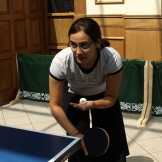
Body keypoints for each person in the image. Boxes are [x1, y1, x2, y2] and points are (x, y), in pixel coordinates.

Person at [49, 18, 129, 162]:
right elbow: (54, 105)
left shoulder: (111, 58)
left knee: (112, 143)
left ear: (98, 42)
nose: (78, 51)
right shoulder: (61, 61)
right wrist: (74, 133)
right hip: (74, 94)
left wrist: (93, 104)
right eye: (73, 45)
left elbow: (111, 97)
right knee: (79, 145)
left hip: (103, 97)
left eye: (84, 45)